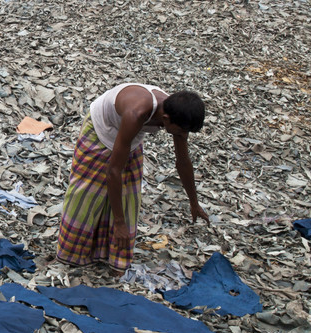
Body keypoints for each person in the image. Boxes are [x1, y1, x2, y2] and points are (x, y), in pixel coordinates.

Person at [56, 84, 209, 274]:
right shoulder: (137, 113)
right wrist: (119, 223)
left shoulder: (177, 114)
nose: (183, 135)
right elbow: (113, 172)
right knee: (87, 192)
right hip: (101, 128)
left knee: (129, 194)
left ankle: (113, 256)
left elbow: (183, 162)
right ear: (166, 120)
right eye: (182, 131)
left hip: (129, 138)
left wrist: (194, 202)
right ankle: (74, 253)